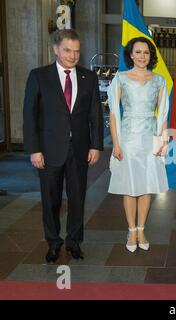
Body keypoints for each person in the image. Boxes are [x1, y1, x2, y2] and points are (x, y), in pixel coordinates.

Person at [23, 29, 104, 263]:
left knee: (78, 197)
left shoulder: (89, 77)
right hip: (48, 150)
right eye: (68, 50)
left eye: (77, 51)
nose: (73, 55)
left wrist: (96, 145)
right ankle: (53, 242)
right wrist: (34, 149)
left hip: (79, 148)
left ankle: (74, 242)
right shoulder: (39, 76)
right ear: (56, 49)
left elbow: (95, 115)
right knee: (51, 199)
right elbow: (30, 115)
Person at [107, 37, 169, 253]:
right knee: (130, 187)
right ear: (130, 55)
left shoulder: (159, 80)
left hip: (150, 137)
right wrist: (116, 143)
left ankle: (141, 229)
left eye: (146, 52)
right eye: (138, 52)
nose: (143, 56)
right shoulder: (120, 79)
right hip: (128, 139)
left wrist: (163, 140)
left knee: (147, 187)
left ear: (150, 56)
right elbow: (114, 113)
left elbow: (162, 115)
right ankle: (131, 230)